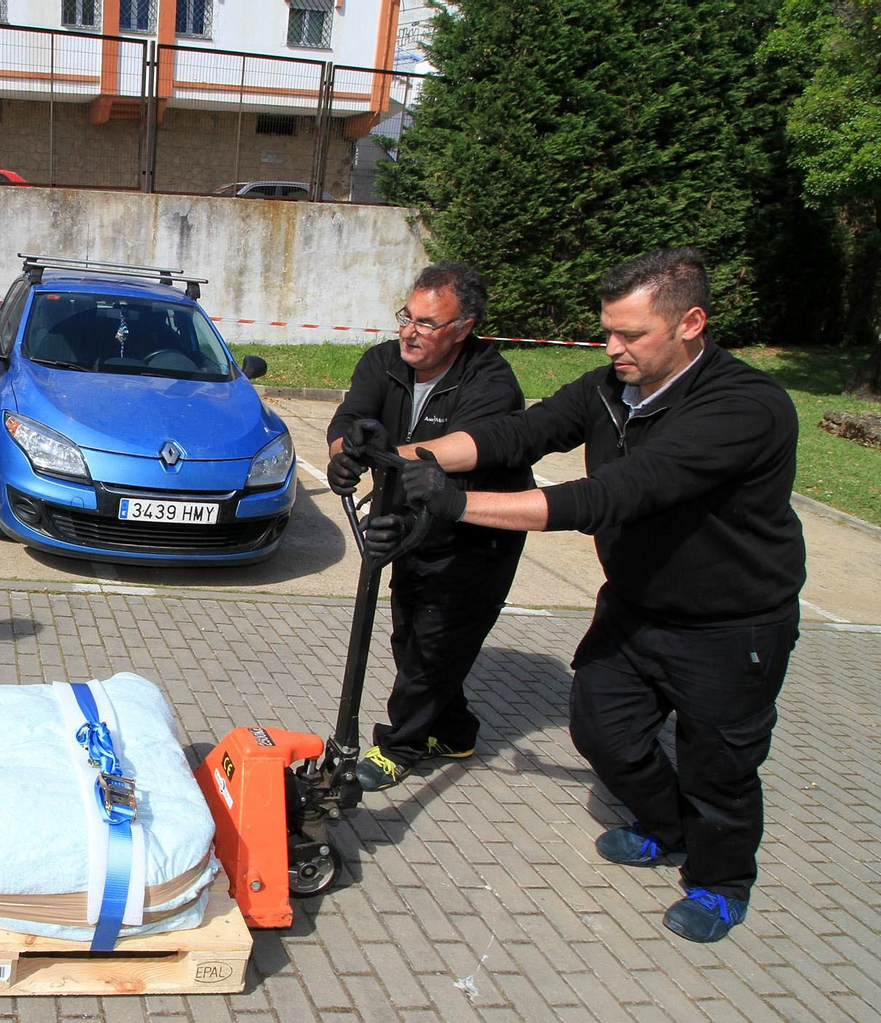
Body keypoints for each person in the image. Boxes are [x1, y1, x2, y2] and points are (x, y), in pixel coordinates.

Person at [367, 248, 805, 944]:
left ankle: (721, 881)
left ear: (691, 322)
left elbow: (612, 495)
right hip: (635, 604)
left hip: (733, 626)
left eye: (630, 334)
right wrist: (402, 454)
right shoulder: (609, 388)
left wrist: (455, 504)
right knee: (603, 729)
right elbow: (522, 432)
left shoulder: (745, 407)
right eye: (608, 331)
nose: (613, 348)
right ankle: (665, 827)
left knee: (718, 765)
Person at [326, 262, 533, 794]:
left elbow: (450, 468)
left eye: (427, 323)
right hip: (408, 528)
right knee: (412, 637)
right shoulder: (384, 361)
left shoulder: (492, 383)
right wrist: (343, 455)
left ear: (463, 328)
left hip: (474, 534)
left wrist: (381, 456)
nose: (409, 333)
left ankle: (401, 746)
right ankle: (456, 732)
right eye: (406, 317)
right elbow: (351, 417)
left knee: (434, 645)